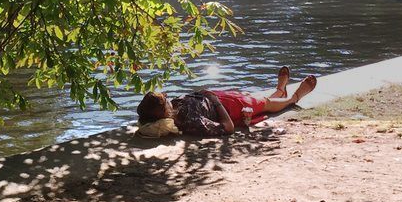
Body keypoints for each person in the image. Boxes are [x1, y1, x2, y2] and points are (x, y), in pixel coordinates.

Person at [136, 67, 317, 136]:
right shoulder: (189, 122)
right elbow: (227, 128)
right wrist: (215, 101)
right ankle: (294, 97)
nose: (168, 99)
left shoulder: (175, 109)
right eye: (165, 101)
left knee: (260, 100)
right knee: (265, 105)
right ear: (162, 113)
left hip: (218, 99)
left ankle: (279, 91)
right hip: (228, 107)